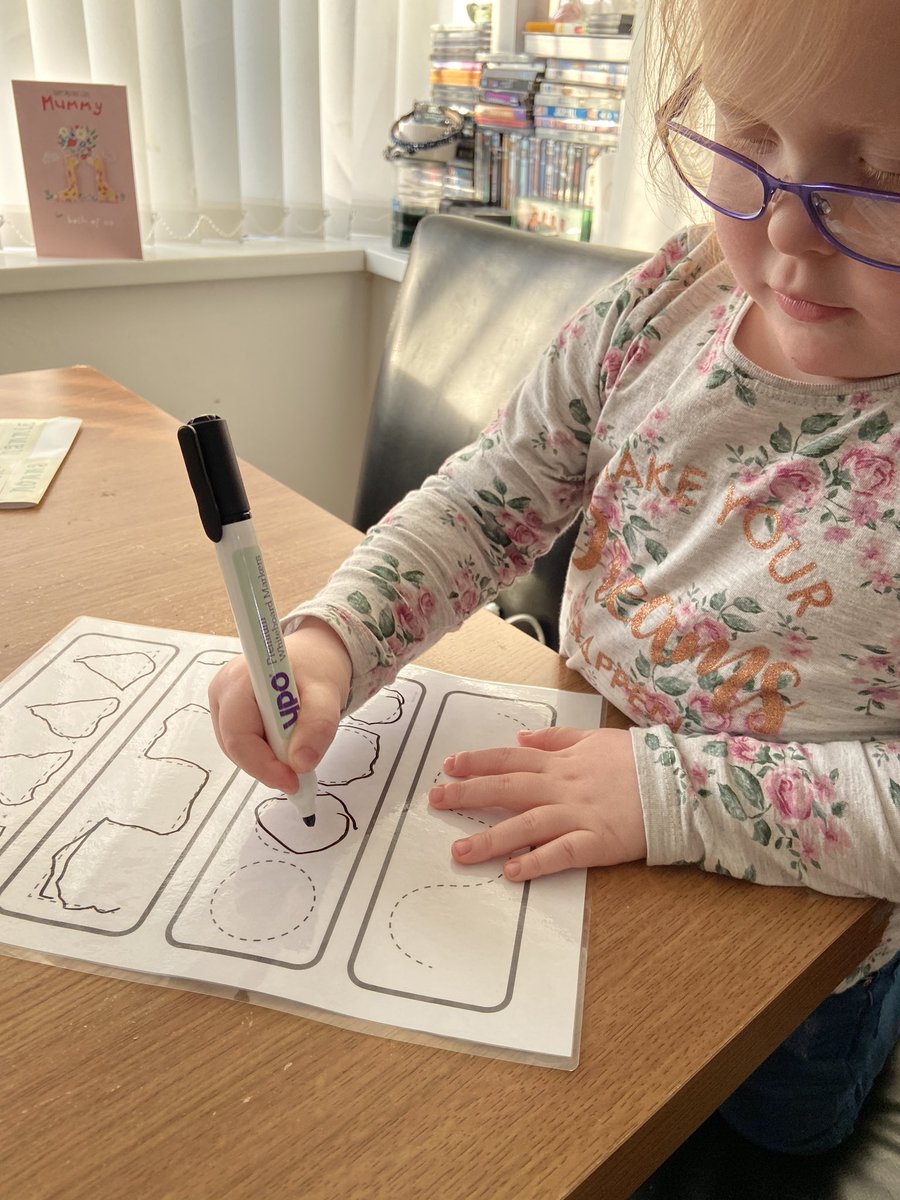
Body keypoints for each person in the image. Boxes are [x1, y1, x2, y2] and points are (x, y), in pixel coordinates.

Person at [209, 0, 900, 1157]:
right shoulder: (668, 300)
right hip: (572, 835)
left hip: (793, 946)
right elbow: (490, 495)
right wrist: (337, 639)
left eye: (882, 177)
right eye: (744, 142)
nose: (784, 234)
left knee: (766, 1137)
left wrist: (672, 794)